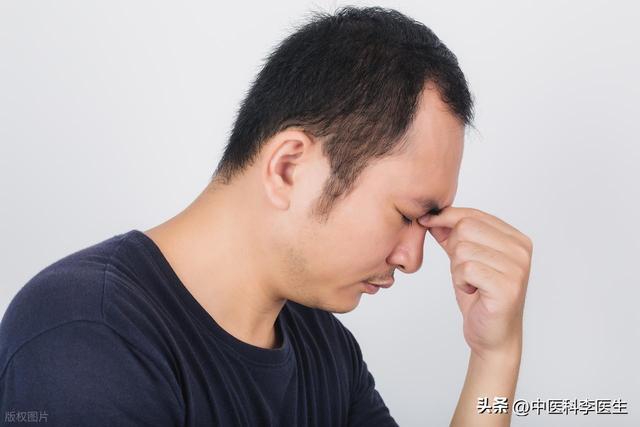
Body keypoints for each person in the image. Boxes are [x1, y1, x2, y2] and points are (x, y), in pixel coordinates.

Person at [0, 6, 532, 426]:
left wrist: (494, 357)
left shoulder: (325, 348)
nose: (413, 259)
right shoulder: (86, 335)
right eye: (406, 215)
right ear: (288, 168)